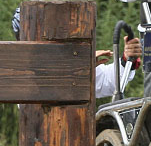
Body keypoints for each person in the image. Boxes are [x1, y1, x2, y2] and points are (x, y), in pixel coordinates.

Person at [12, 7, 140, 99]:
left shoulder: (67, 57)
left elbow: (109, 82)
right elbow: (43, 87)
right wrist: (78, 66)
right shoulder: (16, 69)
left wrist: (126, 60)